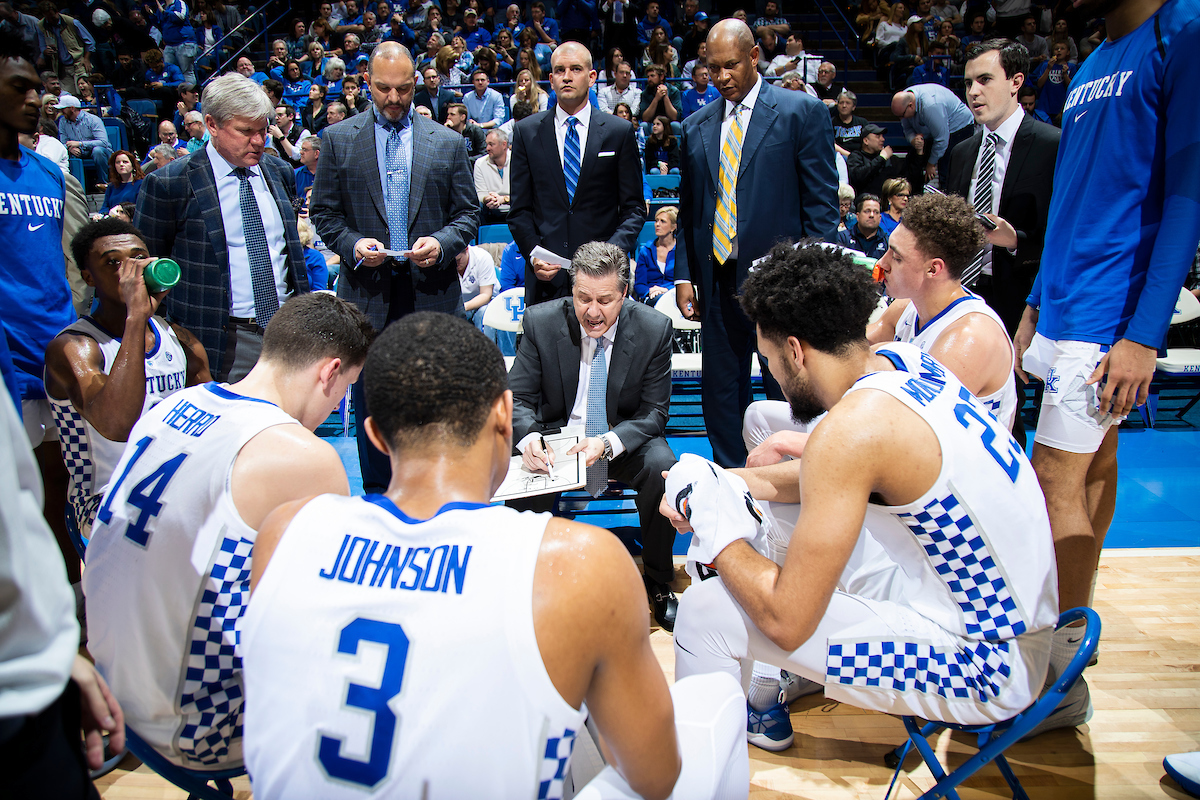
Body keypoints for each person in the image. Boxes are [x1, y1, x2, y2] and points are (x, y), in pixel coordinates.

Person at [239, 310, 746, 800]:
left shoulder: (285, 532)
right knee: (717, 702)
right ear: (504, 415)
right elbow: (655, 777)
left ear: (374, 436)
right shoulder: (579, 563)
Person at [665, 242, 1058, 746]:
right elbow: (817, 481)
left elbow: (785, 620)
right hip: (1007, 614)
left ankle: (706, 762)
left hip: (988, 665)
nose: (775, 378)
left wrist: (714, 529)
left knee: (704, 611)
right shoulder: (907, 363)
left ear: (794, 350)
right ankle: (781, 679)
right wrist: (724, 483)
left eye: (769, 360)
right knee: (770, 520)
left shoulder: (849, 432)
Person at [1013, 0, 1200, 739]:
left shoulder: (1182, 30)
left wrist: (1145, 333)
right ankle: (1071, 657)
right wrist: (1033, 297)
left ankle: (1055, 673)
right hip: (1061, 300)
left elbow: (1187, 191)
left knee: (1053, 478)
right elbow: (1072, 196)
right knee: (1090, 472)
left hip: (1110, 310)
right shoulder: (1093, 59)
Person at [84, 292, 371, 772]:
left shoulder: (174, 404)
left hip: (110, 681)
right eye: (347, 387)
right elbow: (336, 606)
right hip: (191, 723)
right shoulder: (298, 454)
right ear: (329, 372)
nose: (339, 401)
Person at [311, 41, 478, 494]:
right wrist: (352, 245)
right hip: (367, 297)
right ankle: (380, 505)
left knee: (440, 403)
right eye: (384, 88)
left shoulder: (446, 142)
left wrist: (441, 243)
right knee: (373, 407)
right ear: (367, 82)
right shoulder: (338, 139)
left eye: (403, 89)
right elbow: (324, 215)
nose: (394, 99)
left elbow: (468, 215)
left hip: (434, 294)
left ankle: (442, 495)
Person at [675, 18, 839, 468]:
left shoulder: (800, 112)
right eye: (712, 68)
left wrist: (814, 282)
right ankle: (736, 480)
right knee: (721, 393)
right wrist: (686, 274)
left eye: (730, 66)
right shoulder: (694, 126)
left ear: (753, 57)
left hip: (782, 285)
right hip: (716, 281)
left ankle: (797, 480)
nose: (721, 77)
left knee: (789, 390)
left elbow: (821, 208)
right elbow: (691, 211)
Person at [508, 242, 680, 631]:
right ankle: (529, 576)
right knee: (522, 464)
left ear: (625, 294)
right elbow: (518, 396)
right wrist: (529, 438)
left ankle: (657, 576)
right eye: (583, 297)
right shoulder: (541, 321)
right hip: (557, 438)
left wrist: (606, 443)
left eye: (605, 300)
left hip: (619, 437)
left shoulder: (654, 329)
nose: (592, 311)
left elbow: (655, 412)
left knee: (662, 468)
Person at [134, 73, 310, 381]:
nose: (258, 141)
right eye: (245, 131)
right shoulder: (169, 183)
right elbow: (149, 270)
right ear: (212, 125)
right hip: (215, 341)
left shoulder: (280, 171)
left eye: (263, 130)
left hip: (287, 333)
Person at [0, 373, 126, 799]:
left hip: (31, 674)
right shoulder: (73, 350)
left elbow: (16, 521)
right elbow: (117, 421)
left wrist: (58, 650)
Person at [44, 217, 210, 534]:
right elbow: (117, 426)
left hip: (174, 489)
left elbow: (214, 422)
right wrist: (136, 319)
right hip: (107, 500)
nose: (130, 270)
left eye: (138, 257)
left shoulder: (179, 340)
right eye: (114, 263)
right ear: (88, 277)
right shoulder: (74, 348)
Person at [0, 24, 78, 586]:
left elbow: (64, 264)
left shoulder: (50, 172)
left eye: (38, 89)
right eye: (20, 88)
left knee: (63, 486)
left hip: (57, 353)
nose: (36, 101)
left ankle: (69, 602)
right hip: (6, 360)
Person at [508, 41, 644, 305]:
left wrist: (609, 255)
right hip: (546, 278)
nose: (567, 77)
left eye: (576, 69)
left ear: (592, 77)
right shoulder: (526, 132)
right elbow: (519, 211)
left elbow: (634, 209)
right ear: (550, 78)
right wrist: (534, 254)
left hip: (603, 280)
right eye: (559, 70)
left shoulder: (619, 132)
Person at [945, 39, 1059, 335]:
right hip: (960, 292)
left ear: (1015, 82)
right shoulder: (960, 152)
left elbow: (1063, 232)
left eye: (984, 80)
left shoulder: (1052, 145)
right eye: (968, 82)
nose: (973, 92)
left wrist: (1015, 241)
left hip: (1020, 297)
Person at [891, 82, 974, 182]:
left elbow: (941, 139)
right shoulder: (903, 101)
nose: (901, 119)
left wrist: (931, 164)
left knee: (947, 169)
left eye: (902, 115)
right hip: (933, 129)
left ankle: (947, 194)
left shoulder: (930, 105)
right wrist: (913, 140)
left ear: (911, 106)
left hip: (958, 127)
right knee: (912, 162)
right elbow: (907, 129)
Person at [54, 94, 113, 177]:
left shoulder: (93, 119)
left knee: (97, 151)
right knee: (68, 154)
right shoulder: (63, 122)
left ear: (72, 108)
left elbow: (103, 142)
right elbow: (63, 143)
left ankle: (104, 183)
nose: (61, 112)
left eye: (63, 109)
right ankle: (78, 185)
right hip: (79, 152)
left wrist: (79, 144)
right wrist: (70, 148)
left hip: (101, 152)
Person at [634, 205, 677, 302]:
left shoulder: (681, 251)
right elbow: (639, 284)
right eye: (656, 220)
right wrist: (649, 292)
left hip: (674, 295)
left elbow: (684, 282)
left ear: (673, 227)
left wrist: (666, 290)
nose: (657, 224)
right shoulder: (646, 251)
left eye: (663, 221)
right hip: (652, 296)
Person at [455, 243, 498, 331]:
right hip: (461, 304)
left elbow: (486, 295)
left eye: (459, 260)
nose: (456, 264)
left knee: (484, 313)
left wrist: (461, 308)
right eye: (453, 261)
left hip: (485, 303)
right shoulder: (446, 262)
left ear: (467, 250)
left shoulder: (482, 257)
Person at [1030, 40, 1073, 123]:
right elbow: (1039, 84)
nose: (1059, 50)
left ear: (1068, 52)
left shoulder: (1071, 67)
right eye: (1056, 49)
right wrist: (1048, 68)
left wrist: (1065, 75)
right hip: (1045, 106)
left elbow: (1072, 87)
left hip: (1062, 106)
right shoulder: (1045, 65)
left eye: (1062, 49)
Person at [835, 193, 889, 259]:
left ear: (880, 217)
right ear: (857, 216)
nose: (871, 215)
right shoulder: (843, 238)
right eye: (867, 211)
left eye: (876, 212)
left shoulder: (887, 242)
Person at [474, 128, 511, 222]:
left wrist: (504, 199)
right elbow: (480, 193)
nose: (487, 148)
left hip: (516, 210)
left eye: (491, 144)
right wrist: (488, 198)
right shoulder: (480, 163)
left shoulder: (519, 161)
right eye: (487, 144)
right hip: (490, 211)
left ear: (504, 144)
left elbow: (524, 195)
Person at [831, 89, 868, 154]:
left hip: (859, 157)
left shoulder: (862, 122)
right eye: (841, 103)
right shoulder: (831, 122)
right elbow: (830, 143)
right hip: (839, 156)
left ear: (853, 107)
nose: (844, 106)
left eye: (847, 103)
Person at [294, 134, 320, 206]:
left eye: (305, 150)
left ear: (316, 153)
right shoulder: (295, 174)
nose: (301, 152)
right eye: (301, 149)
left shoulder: (328, 174)